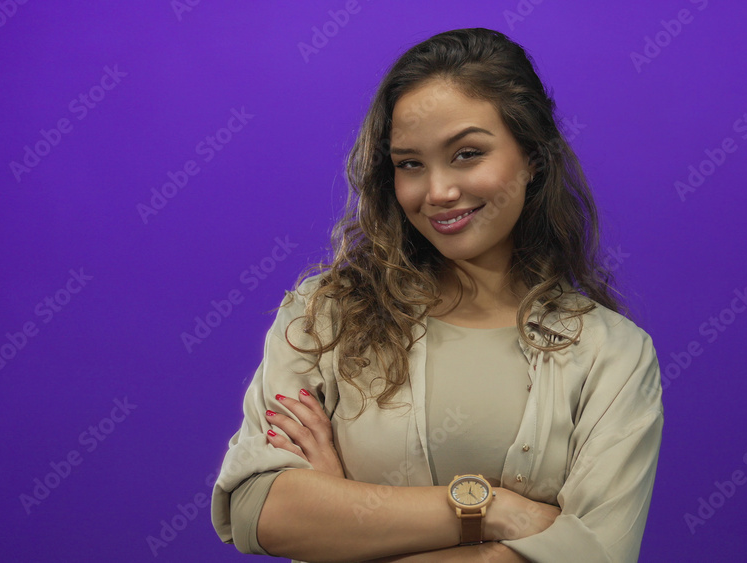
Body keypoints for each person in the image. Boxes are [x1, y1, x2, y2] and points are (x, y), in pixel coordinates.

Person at [210, 27, 664, 563]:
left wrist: (344, 527)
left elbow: (594, 557)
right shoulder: (326, 314)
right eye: (410, 164)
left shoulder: (614, 355)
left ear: (532, 158)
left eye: (468, 154)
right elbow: (257, 508)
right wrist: (492, 510)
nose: (438, 191)